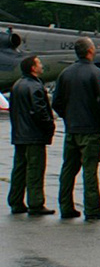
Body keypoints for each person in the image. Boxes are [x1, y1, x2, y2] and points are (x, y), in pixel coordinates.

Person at [52, 37, 100, 221]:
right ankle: (92, 208)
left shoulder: (65, 74)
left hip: (72, 129)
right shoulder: (97, 74)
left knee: (68, 169)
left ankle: (65, 205)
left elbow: (57, 102)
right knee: (89, 170)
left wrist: (68, 118)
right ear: (90, 51)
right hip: (90, 129)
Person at [8, 55, 56, 216]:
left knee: (19, 169)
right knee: (35, 170)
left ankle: (15, 201)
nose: (42, 66)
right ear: (33, 68)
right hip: (34, 135)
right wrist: (49, 126)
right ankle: (35, 203)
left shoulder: (17, 85)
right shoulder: (35, 86)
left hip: (20, 134)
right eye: (39, 64)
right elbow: (40, 111)